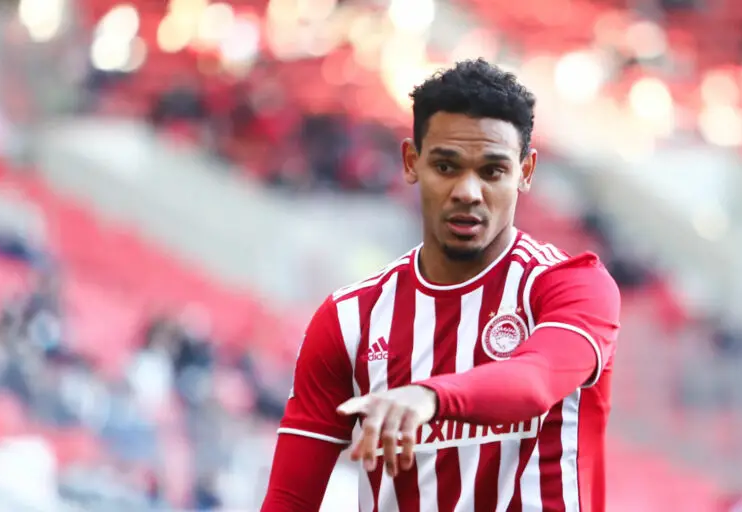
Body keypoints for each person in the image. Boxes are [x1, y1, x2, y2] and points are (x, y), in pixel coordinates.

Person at [261, 59, 620, 512]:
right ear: (412, 162)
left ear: (526, 172)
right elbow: (289, 500)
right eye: (447, 166)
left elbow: (535, 381)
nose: (468, 191)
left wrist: (429, 397)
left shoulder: (570, 286)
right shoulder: (349, 320)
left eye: (492, 171)